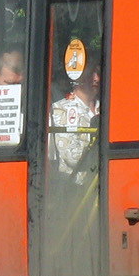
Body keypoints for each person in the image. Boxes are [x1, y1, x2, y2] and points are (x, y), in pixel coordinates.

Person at [50, 46, 101, 180]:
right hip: (77, 191)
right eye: (91, 73)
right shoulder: (61, 109)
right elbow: (73, 157)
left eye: (99, 73)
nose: (96, 78)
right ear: (79, 75)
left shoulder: (107, 108)